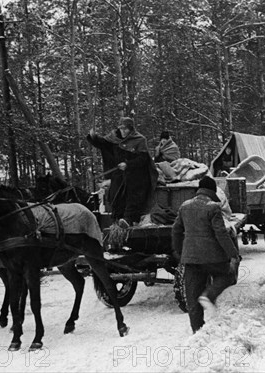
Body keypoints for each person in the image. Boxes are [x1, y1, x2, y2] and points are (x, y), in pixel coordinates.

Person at [171, 176, 240, 333]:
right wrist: (233, 254)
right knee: (228, 275)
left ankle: (198, 332)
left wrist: (180, 251)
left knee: (192, 297)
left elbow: (176, 230)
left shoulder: (184, 206)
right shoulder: (213, 207)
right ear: (211, 192)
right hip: (212, 258)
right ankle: (209, 295)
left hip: (190, 259)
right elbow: (221, 233)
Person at [86, 117, 158, 226]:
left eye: (126, 129)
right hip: (119, 174)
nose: (123, 132)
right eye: (121, 129)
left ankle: (129, 219)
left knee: (133, 195)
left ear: (131, 129)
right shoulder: (114, 138)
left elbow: (143, 159)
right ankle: (117, 220)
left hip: (135, 174)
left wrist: (128, 164)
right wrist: (93, 137)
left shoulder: (139, 139)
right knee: (115, 195)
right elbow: (103, 143)